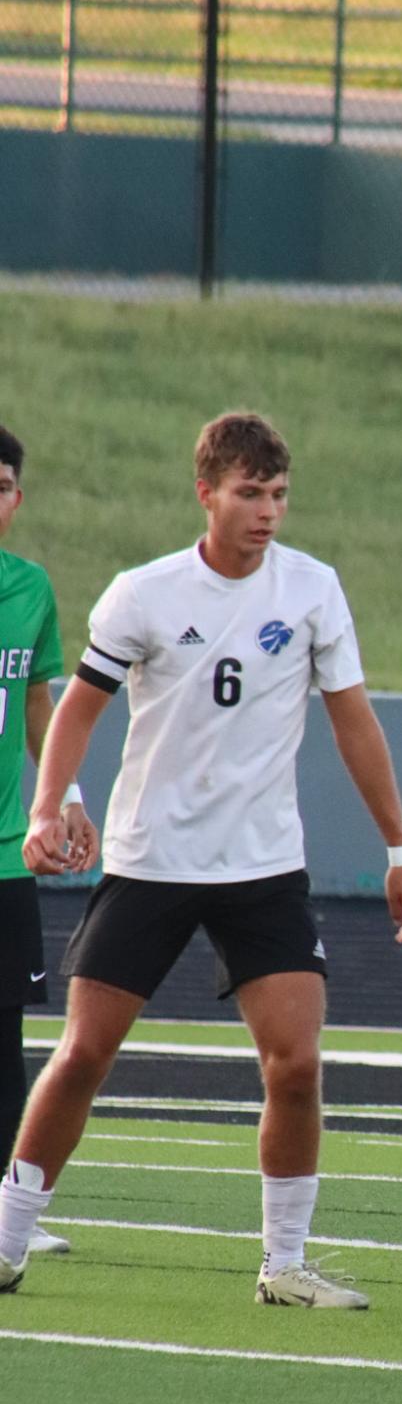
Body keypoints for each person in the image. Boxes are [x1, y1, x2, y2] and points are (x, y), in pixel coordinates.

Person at [0, 412, 402, 1307]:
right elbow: (76, 710)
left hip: (263, 869)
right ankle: (5, 1240)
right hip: (152, 860)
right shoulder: (144, 593)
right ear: (206, 492)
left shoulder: (313, 590)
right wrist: (49, 805)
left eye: (278, 494)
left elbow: (354, 721)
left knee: (297, 1064)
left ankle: (284, 1265)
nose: (267, 511)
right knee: (82, 1054)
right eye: (249, 493)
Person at [0, 424, 98, 1262]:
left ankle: (3, 1214)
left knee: (5, 1036)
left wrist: (63, 796)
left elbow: (40, 704)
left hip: (2, 852)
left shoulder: (30, 589)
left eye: (1, 484)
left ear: (16, 500)